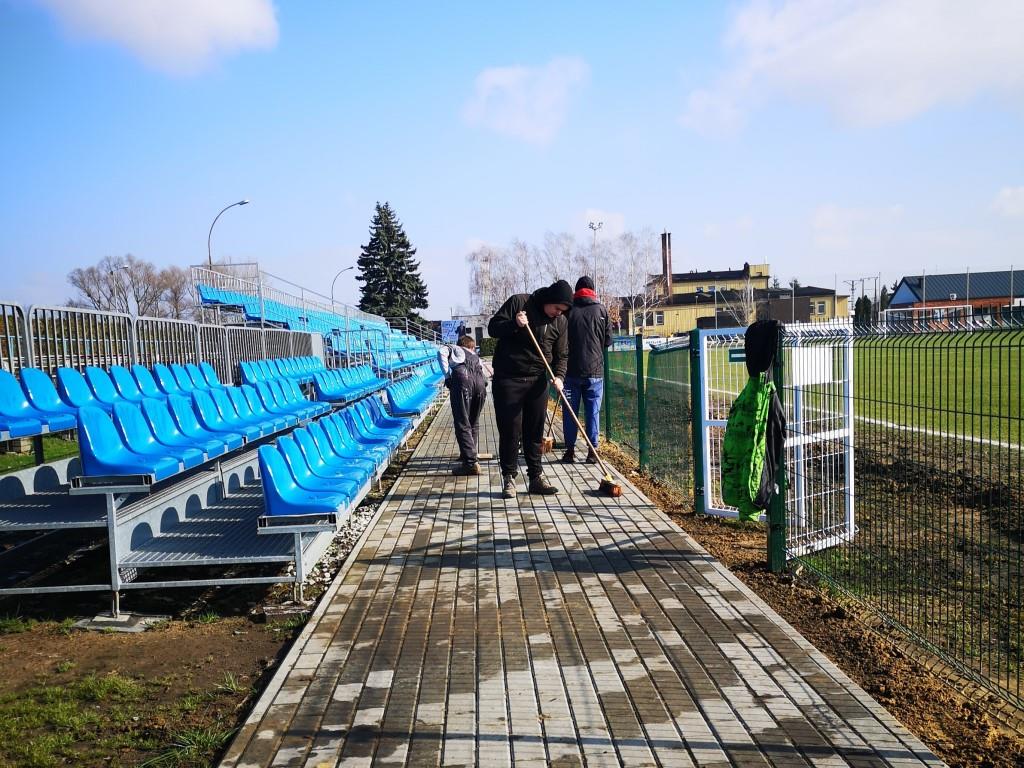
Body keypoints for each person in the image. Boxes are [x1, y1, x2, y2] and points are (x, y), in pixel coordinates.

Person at [487, 279, 572, 498]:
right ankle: (509, 478)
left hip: (537, 381)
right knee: (510, 431)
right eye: (557, 308)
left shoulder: (560, 322)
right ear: (549, 300)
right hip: (508, 379)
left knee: (534, 432)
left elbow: (562, 354)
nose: (558, 313)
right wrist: (514, 323)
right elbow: (493, 328)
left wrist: (560, 377)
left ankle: (536, 477)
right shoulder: (519, 302)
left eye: (562, 311)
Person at [561, 276, 612, 464]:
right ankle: (592, 451)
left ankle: (570, 450)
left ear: (576, 291)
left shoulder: (567, 312)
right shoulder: (602, 310)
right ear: (593, 290)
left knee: (570, 412)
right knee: (593, 412)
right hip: (595, 372)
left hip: (570, 372)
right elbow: (607, 341)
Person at [438, 335, 488, 475]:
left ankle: (470, 463)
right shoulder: (476, 356)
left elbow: (441, 352)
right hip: (480, 384)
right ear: (471, 346)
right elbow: (484, 375)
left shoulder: (455, 348)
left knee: (462, 422)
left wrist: (447, 376)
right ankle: (469, 454)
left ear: (460, 344)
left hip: (463, 381)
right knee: (473, 421)